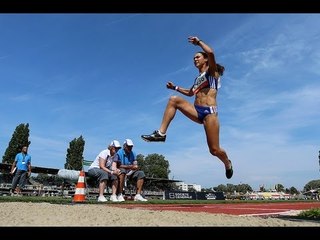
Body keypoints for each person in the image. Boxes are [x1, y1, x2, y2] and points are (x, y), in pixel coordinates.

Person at [141, 36, 233, 179]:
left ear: (205, 59)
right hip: (197, 112)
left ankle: (227, 163)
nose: (195, 60)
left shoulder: (211, 72)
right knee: (173, 100)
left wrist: (199, 42)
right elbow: (190, 93)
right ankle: (161, 134)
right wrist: (175, 87)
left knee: (214, 150)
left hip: (210, 114)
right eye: (194, 58)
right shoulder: (198, 79)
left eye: (197, 57)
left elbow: (211, 53)